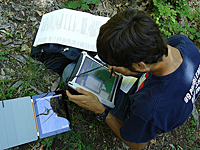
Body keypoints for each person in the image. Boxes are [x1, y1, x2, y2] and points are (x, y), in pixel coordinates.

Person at [64, 9, 200, 150]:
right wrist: (131, 71)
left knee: (69, 71)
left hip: (144, 113)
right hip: (156, 96)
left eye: (119, 64)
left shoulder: (149, 109)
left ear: (141, 65)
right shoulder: (182, 43)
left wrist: (101, 110)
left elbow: (137, 145)